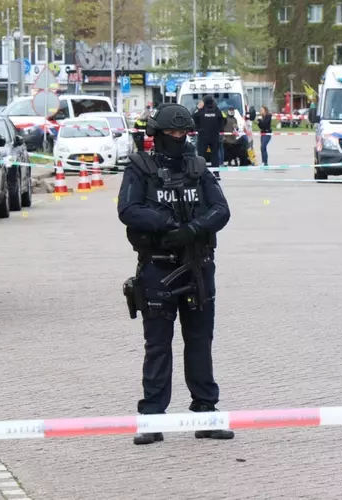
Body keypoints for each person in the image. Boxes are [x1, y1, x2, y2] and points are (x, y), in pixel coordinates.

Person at [117, 103, 234, 445]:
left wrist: (193, 229)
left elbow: (221, 210)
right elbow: (128, 209)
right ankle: (152, 418)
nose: (178, 138)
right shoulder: (140, 168)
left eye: (183, 133)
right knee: (158, 346)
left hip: (197, 267)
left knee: (200, 343)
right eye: (171, 133)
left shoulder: (198, 167)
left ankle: (206, 412)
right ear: (156, 135)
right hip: (158, 267)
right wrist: (165, 224)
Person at [194, 95, 225, 179]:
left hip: (202, 137)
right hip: (214, 137)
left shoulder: (200, 111)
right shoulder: (217, 111)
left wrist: (197, 107)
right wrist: (220, 131)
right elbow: (222, 121)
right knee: (215, 155)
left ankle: (201, 173)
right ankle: (216, 173)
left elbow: (193, 118)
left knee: (201, 155)